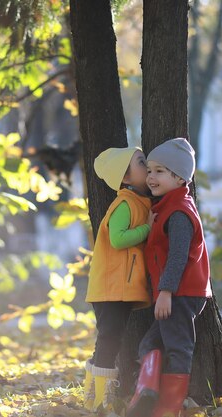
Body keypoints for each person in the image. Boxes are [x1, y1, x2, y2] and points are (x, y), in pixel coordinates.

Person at [126, 138, 212, 417]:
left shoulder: (178, 213)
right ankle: (147, 394)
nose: (151, 177)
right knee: (149, 344)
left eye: (160, 171)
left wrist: (165, 292)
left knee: (178, 348)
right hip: (175, 292)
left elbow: (177, 257)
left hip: (181, 293)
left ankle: (167, 409)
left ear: (179, 177)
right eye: (149, 170)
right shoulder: (168, 207)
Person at [83, 146, 156, 413]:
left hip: (116, 288)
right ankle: (100, 403)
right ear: (126, 178)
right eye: (141, 162)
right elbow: (118, 239)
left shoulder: (140, 201)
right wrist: (148, 228)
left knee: (108, 339)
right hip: (111, 288)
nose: (147, 164)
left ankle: (92, 399)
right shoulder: (125, 204)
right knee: (110, 340)